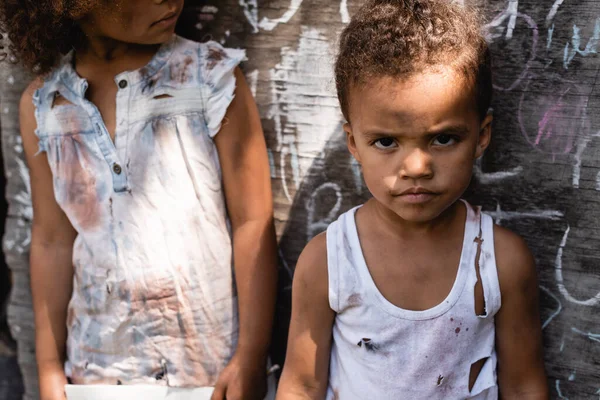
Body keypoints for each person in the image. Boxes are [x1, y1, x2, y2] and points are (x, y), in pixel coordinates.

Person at [1, 1, 278, 399]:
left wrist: (251, 355)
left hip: (208, 374)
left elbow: (254, 220)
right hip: (95, 374)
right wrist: (48, 367)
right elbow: (51, 240)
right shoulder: (46, 104)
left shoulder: (209, 76)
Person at [276, 0, 549, 398]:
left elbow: (524, 386)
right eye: (386, 142)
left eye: (443, 139)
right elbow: (301, 386)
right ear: (353, 142)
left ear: (482, 135)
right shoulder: (330, 262)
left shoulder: (501, 262)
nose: (417, 167)